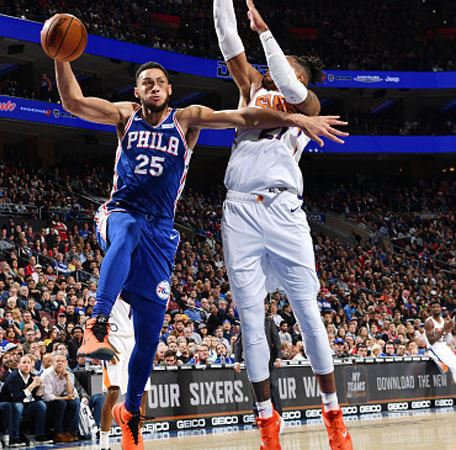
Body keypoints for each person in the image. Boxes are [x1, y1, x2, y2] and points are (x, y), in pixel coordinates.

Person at [53, 39, 343, 450]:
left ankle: (131, 411)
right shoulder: (124, 115)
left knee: (150, 333)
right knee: (127, 230)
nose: (153, 87)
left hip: (161, 231)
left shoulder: (186, 119)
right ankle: (96, 325)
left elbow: (244, 115)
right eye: (145, 83)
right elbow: (74, 101)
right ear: (136, 92)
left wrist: (298, 121)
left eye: (160, 82)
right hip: (118, 213)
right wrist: (61, 59)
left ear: (169, 90)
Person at [213, 0, 351, 448]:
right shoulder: (252, 85)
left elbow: (290, 84)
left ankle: (333, 416)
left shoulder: (307, 102)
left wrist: (268, 33)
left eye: (285, 67)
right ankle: (266, 422)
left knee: (308, 313)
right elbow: (227, 37)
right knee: (251, 323)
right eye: (274, 65)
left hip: (285, 210)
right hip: (239, 209)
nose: (273, 72)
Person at [99, 299, 151, 450]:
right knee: (113, 391)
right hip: (114, 340)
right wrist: (104, 343)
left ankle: (134, 436)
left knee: (143, 391)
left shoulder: (139, 285)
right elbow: (96, 317)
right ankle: (104, 444)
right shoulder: (110, 283)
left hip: (135, 339)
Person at [0, 354, 51, 447]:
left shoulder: (32, 377)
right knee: (18, 405)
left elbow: (37, 398)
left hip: (24, 404)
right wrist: (32, 386)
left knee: (40, 405)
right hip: (7, 404)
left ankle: (40, 435)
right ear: (18, 365)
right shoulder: (13, 377)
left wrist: (40, 387)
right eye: (24, 362)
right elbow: (16, 397)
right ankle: (14, 436)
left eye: (29, 363)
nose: (26, 365)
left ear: (32, 365)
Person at [41, 352, 79, 443]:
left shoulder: (68, 374)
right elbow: (48, 397)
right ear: (53, 362)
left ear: (66, 364)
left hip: (61, 400)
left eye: (62, 361)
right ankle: (57, 433)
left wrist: (68, 379)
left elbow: (70, 393)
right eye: (58, 361)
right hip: (47, 403)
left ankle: (67, 431)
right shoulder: (47, 374)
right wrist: (66, 398)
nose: (60, 363)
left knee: (74, 403)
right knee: (62, 403)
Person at [424, 299, 456, 383]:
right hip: (434, 349)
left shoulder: (443, 320)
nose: (436, 309)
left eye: (437, 307)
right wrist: (444, 329)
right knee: (453, 367)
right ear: (431, 310)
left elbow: (448, 341)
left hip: (444, 347)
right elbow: (431, 341)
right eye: (433, 307)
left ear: (440, 309)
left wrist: (449, 330)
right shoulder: (429, 322)